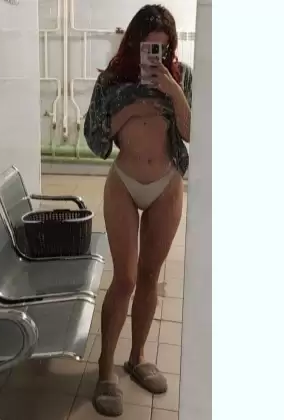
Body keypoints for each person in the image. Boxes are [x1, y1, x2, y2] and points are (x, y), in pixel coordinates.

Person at [84, 4, 193, 417]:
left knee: (149, 276)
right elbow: (95, 136)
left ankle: (137, 357)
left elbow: (193, 131)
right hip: (125, 184)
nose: (156, 57)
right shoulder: (113, 79)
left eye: (163, 49)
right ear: (134, 43)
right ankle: (105, 369)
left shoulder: (183, 77)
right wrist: (132, 108)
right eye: (149, 47)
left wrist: (173, 90)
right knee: (125, 279)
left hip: (167, 184)